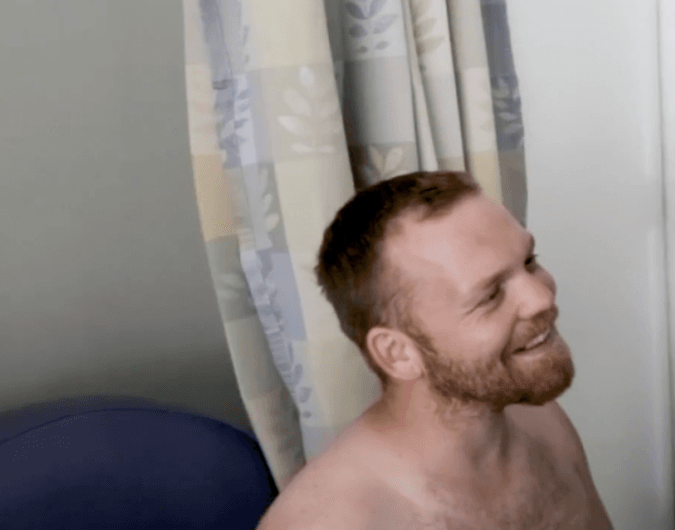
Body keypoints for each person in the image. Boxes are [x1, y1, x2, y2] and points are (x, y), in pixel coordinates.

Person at [256, 171, 613, 530]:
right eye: (490, 295)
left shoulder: (542, 422)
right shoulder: (334, 521)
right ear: (398, 353)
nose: (542, 298)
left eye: (529, 260)